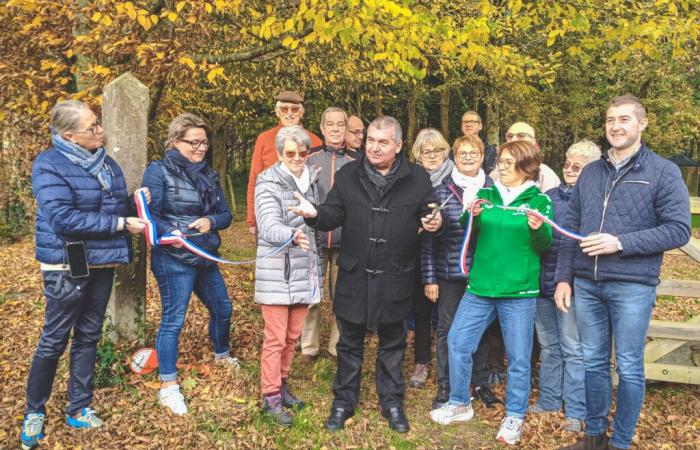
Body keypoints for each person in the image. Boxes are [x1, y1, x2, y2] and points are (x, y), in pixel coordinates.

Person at [289, 116, 443, 433]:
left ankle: (391, 402)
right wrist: (315, 213)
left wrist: (434, 223)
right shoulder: (349, 174)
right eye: (370, 140)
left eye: (382, 141)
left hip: (396, 275)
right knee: (349, 344)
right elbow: (332, 213)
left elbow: (432, 212)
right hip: (355, 274)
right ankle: (344, 401)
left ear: (398, 146)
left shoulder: (416, 177)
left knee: (393, 344)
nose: (373, 147)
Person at [555, 96, 691, 450]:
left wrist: (621, 243)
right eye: (610, 119)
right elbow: (570, 228)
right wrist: (564, 278)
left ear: (642, 124)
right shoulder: (591, 172)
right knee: (594, 363)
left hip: (632, 285)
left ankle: (621, 442)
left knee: (629, 366)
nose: (616, 126)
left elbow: (679, 229)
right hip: (586, 284)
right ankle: (595, 436)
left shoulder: (663, 171)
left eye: (624, 119)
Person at [21, 100, 147, 450]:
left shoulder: (107, 163)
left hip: (102, 262)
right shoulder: (48, 166)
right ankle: (35, 410)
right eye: (92, 127)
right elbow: (64, 219)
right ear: (70, 135)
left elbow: (115, 206)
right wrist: (122, 223)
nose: (100, 131)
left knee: (89, 335)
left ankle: (79, 406)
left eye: (98, 124)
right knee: (54, 338)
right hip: (66, 263)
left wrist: (137, 203)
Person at [431, 140, 553, 447]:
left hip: (518, 292)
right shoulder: (485, 193)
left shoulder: (539, 201)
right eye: (501, 161)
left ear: (527, 167)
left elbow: (545, 245)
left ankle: (514, 416)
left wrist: (538, 228)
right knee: (458, 341)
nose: (501, 166)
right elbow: (467, 232)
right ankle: (460, 403)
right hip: (480, 287)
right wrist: (469, 213)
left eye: (509, 162)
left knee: (519, 356)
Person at [142, 113, 238, 417]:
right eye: (193, 142)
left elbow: (226, 214)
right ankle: (168, 386)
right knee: (174, 319)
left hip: (205, 255)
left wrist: (210, 220)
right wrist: (175, 233)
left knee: (223, 308)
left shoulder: (209, 174)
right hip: (174, 258)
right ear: (175, 141)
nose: (200, 148)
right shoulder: (158, 171)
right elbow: (150, 215)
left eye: (204, 143)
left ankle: (222, 355)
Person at [422, 134, 501, 411]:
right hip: (450, 273)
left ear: (482, 157)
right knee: (446, 329)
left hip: (482, 273)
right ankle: (446, 383)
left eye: (473, 153)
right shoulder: (442, 190)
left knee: (482, 329)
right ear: (454, 157)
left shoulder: (494, 190)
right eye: (462, 153)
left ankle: (480, 383)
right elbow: (429, 239)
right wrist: (430, 278)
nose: (468, 157)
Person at [529, 140, 601, 433]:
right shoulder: (547, 197)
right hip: (541, 284)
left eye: (578, 166)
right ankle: (548, 399)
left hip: (571, 285)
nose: (570, 169)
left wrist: (566, 280)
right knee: (549, 346)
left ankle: (575, 409)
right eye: (567, 163)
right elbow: (538, 241)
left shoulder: (594, 201)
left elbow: (579, 246)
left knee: (573, 348)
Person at [254, 125, 323, 427]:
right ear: (280, 153)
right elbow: (268, 225)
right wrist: (292, 234)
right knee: (275, 337)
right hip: (277, 270)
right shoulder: (267, 181)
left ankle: (282, 385)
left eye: (302, 152)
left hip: (304, 268)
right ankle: (270, 397)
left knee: (292, 337)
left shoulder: (314, 180)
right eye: (290, 153)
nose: (297, 158)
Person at [301, 107, 359, 363]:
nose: (335, 129)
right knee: (312, 294)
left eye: (340, 125)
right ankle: (308, 347)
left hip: (347, 239)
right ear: (322, 129)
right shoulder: (309, 158)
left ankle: (338, 346)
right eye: (330, 125)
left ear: (346, 130)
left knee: (342, 295)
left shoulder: (358, 161)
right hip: (313, 237)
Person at [407, 128, 453, 389]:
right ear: (418, 155)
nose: (432, 155)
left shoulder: (455, 179)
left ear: (445, 152)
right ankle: (422, 361)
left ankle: (449, 365)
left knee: (449, 313)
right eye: (426, 151)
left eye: (437, 150)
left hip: (449, 253)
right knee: (422, 309)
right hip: (419, 253)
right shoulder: (412, 179)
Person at [246, 90, 323, 235]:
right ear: (277, 112)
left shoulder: (315, 140)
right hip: (271, 214)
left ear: (301, 112)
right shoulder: (264, 139)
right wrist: (252, 218)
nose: (289, 113)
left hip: (304, 218)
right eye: (284, 109)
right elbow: (254, 180)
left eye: (294, 109)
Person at [489, 122, 560, 193]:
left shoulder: (544, 174)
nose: (514, 139)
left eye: (521, 135)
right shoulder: (498, 171)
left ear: (533, 141)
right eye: (510, 136)